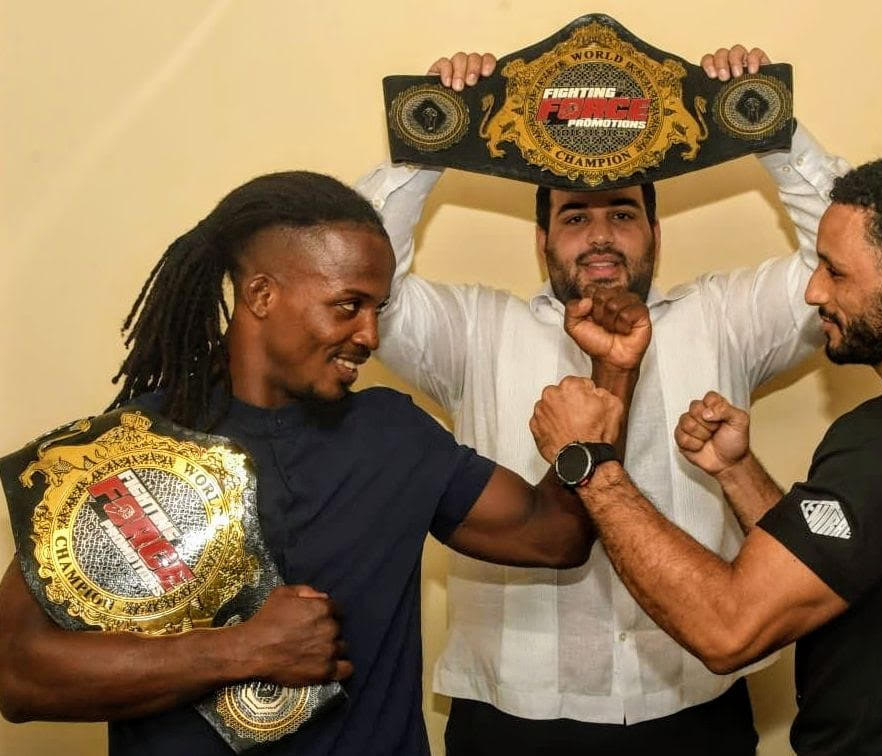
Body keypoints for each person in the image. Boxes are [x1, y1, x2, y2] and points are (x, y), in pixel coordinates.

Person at [0, 170, 629, 756]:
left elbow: (556, 536)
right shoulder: (134, 449)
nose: (370, 336)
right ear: (261, 295)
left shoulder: (395, 436)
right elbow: (16, 673)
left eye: (377, 308)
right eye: (348, 305)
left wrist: (613, 373)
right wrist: (239, 651)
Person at [359, 46, 848, 753]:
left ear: (655, 233)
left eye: (622, 214)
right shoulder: (475, 331)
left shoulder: (723, 318)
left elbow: (843, 261)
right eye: (574, 218)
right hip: (513, 714)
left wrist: (762, 121)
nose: (599, 237)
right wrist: (437, 131)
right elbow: (365, 285)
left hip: (693, 703)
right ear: (542, 240)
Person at [530, 154, 882, 755]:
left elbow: (729, 629)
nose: (814, 290)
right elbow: (834, 569)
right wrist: (737, 472)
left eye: (835, 271)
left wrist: (590, 463)